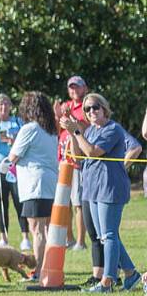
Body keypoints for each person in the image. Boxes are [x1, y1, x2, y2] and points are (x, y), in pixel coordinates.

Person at [61, 93, 141, 293]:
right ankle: (131, 274)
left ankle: (108, 281)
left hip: (109, 188)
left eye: (95, 107)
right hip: (93, 188)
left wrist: (77, 132)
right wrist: (72, 133)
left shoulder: (112, 129)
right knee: (106, 235)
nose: (91, 112)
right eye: (87, 109)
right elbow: (78, 156)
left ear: (104, 108)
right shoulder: (91, 131)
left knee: (109, 235)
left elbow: (92, 152)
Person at [8, 92, 59, 279]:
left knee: (36, 230)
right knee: (46, 229)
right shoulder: (51, 130)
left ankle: (37, 271)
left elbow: (13, 156)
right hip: (50, 184)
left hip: (34, 184)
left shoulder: (29, 129)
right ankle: (48, 267)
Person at [0, 94, 30, 249]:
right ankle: (4, 237)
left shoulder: (17, 122)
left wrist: (14, 141)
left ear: (10, 106)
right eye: (0, 105)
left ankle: (25, 237)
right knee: (2, 204)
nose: (3, 108)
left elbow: (26, 142)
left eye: (6, 104)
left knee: (19, 202)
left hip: (15, 167)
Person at [57, 76, 90, 250]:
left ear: (84, 88)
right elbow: (57, 131)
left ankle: (80, 241)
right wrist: (58, 116)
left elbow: (84, 128)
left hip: (77, 161)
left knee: (78, 202)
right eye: (71, 88)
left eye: (77, 87)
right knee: (65, 202)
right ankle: (69, 239)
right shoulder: (65, 106)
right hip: (63, 160)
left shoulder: (88, 106)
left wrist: (71, 119)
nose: (74, 90)